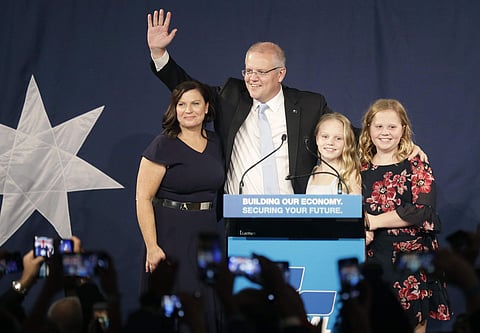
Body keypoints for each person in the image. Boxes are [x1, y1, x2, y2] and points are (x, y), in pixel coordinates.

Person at [147, 9, 332, 195]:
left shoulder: (310, 105)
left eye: (261, 72)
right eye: (249, 71)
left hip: (293, 213)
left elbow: (345, 137)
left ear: (280, 74)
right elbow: (189, 90)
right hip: (241, 213)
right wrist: (159, 53)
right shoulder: (230, 97)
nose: (252, 78)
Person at [135, 80, 225, 333]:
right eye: (181, 104)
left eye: (195, 103)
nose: (188, 110)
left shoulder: (218, 142)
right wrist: (152, 247)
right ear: (174, 109)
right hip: (171, 235)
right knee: (174, 304)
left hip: (207, 235)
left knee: (206, 302)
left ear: (207, 108)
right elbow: (143, 198)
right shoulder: (163, 144)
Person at [358, 98, 451, 333]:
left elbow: (422, 211)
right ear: (368, 129)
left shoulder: (416, 164)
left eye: (392, 126)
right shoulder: (359, 168)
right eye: (378, 126)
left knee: (414, 324)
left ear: (403, 130)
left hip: (411, 259)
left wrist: (373, 221)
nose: (385, 132)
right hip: (372, 258)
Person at [305, 112, 361, 195]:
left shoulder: (350, 175)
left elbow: (354, 207)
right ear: (317, 138)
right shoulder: (313, 172)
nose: (330, 142)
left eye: (338, 138)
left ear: (347, 142)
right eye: (325, 136)